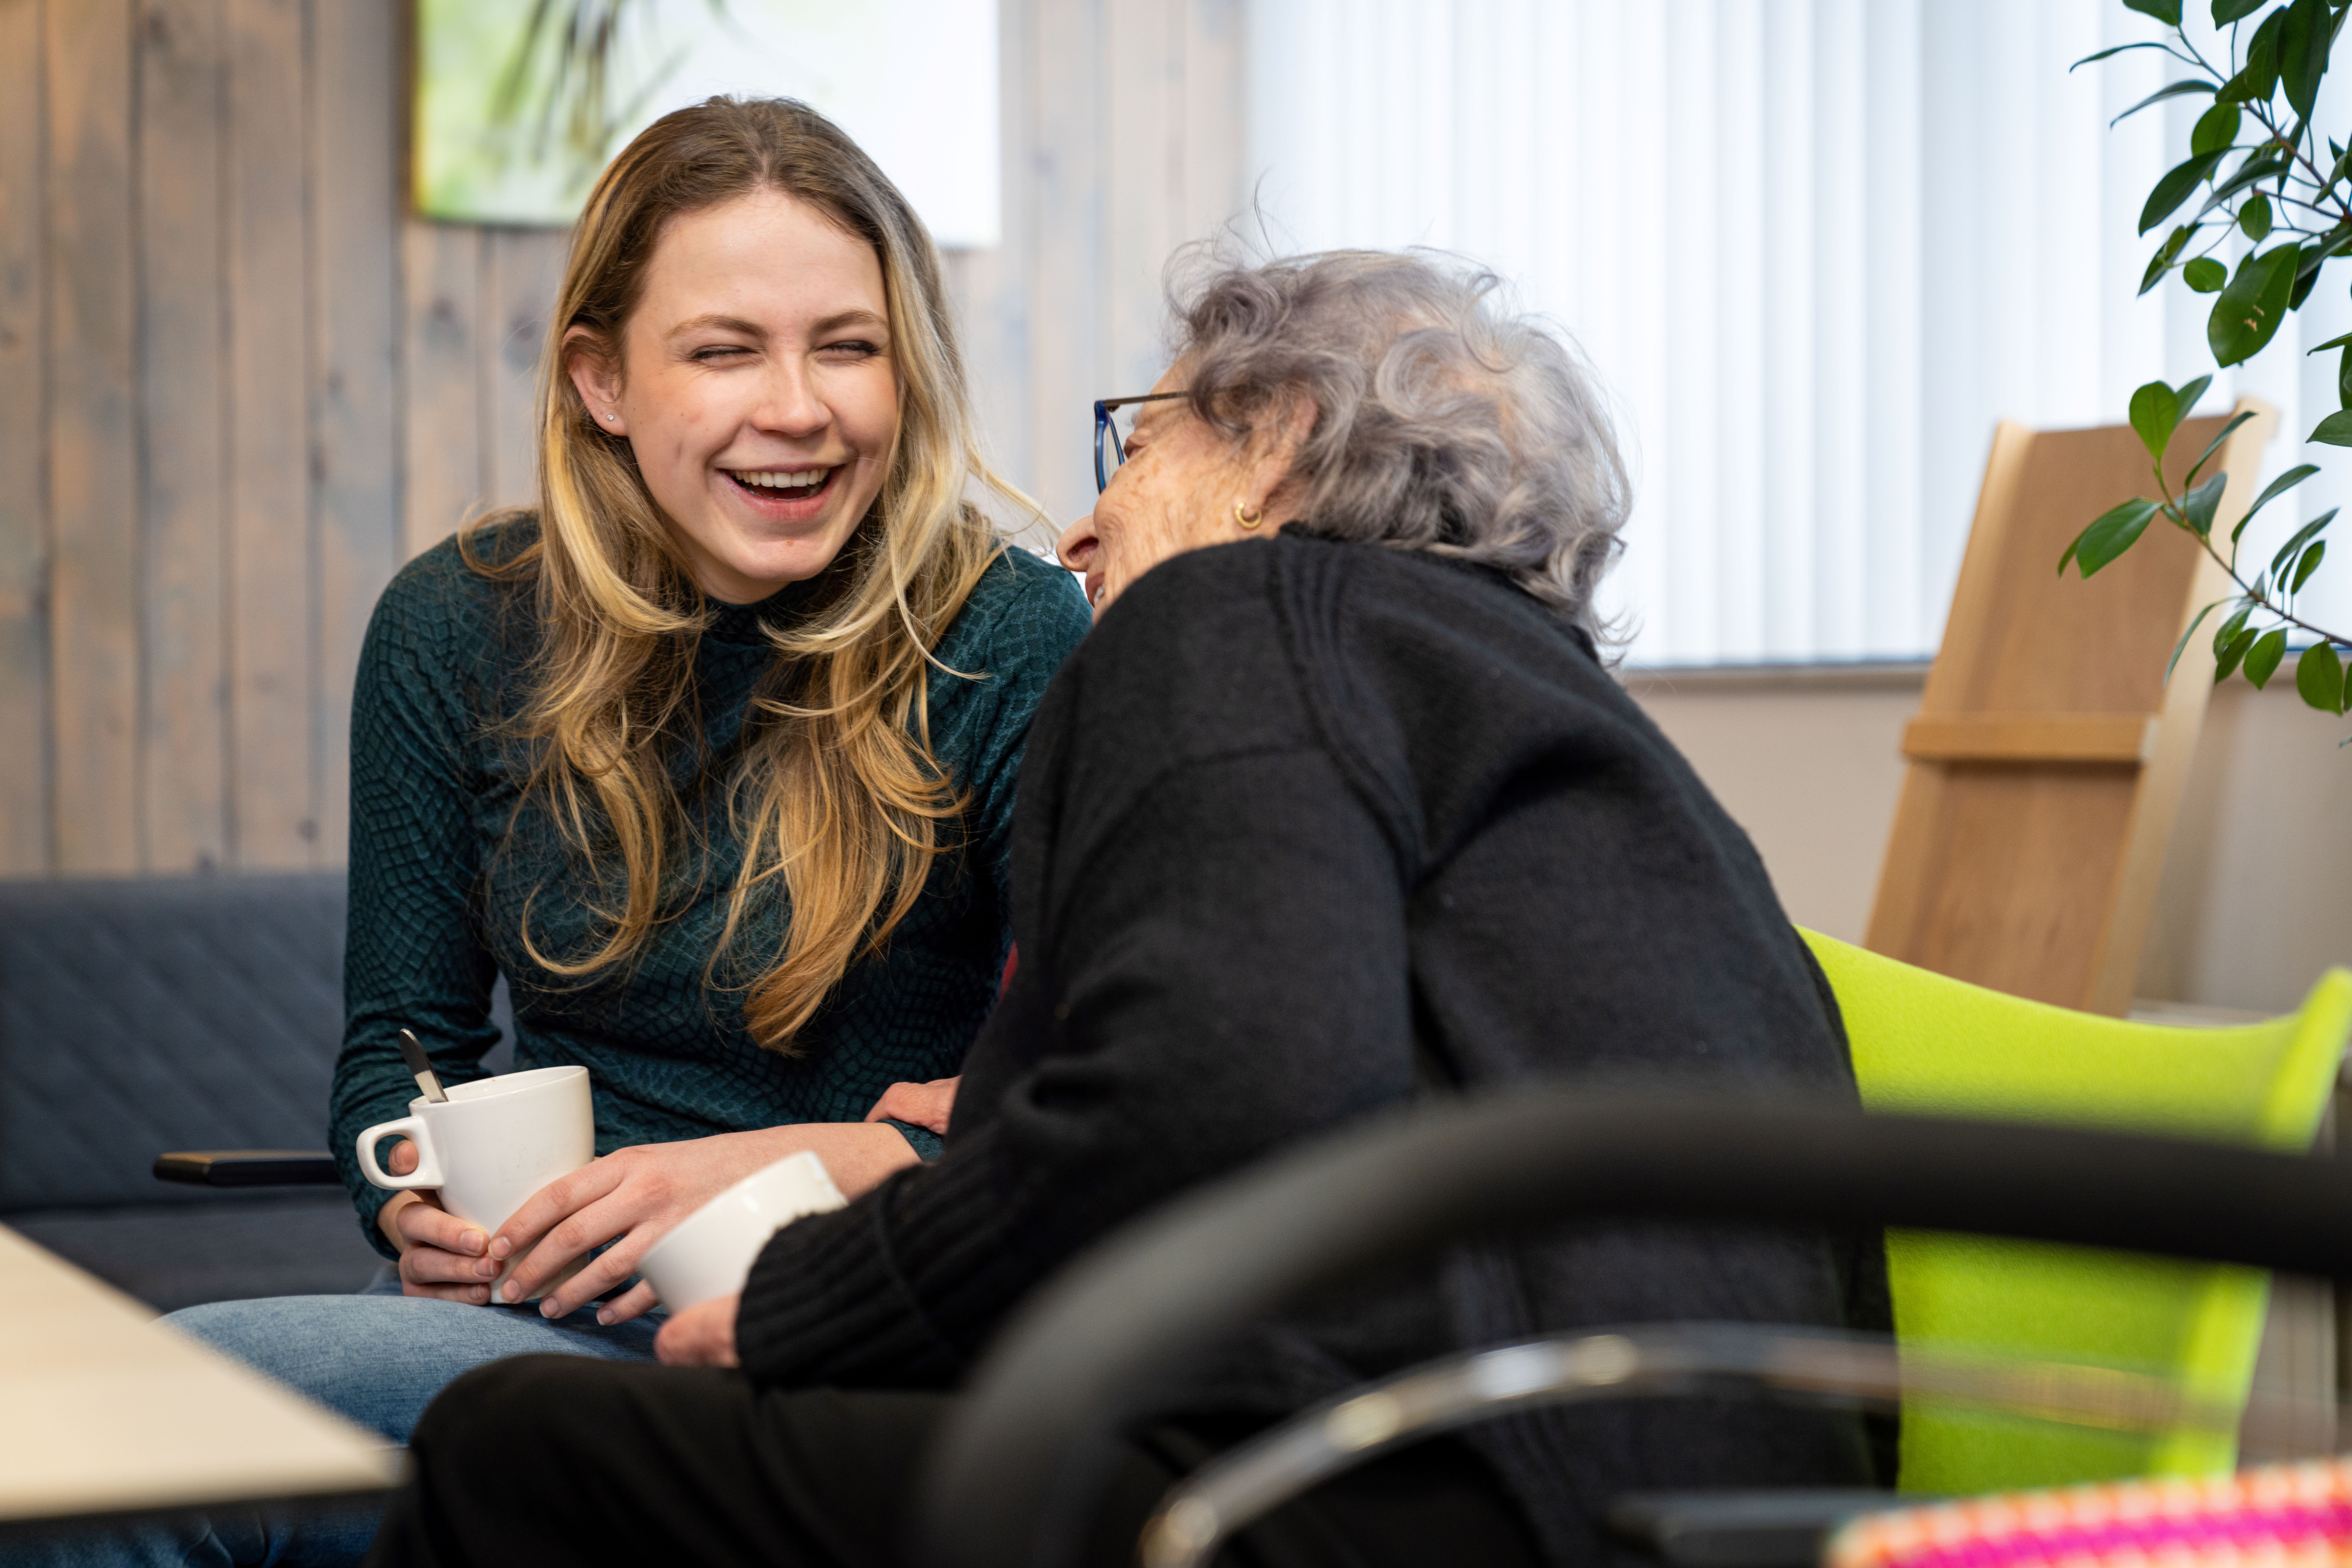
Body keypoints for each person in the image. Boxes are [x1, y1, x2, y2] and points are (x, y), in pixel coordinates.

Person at [366, 248, 1889, 1568]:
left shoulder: (1246, 614)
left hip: (1414, 1496)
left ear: (1273, 441)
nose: (1083, 535)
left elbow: (1214, 1102)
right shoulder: (1586, 750)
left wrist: (806, 1306)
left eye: (1134, 447)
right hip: (1700, 1512)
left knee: (522, 1446)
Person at [18, 98, 1087, 1568]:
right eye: (724, 350)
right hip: (555, 1327)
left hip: (861, 1334)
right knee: (114, 1431)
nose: (801, 407)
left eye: (851, 345)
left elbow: (1099, 1082)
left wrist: (848, 1150)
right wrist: (406, 1203)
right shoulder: (456, 626)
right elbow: (401, 1043)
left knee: (156, 1416)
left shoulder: (1013, 630)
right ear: (602, 381)